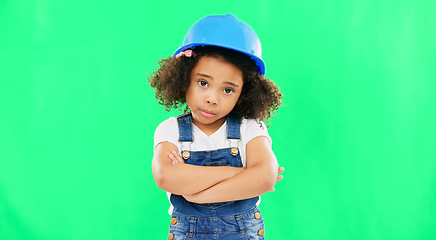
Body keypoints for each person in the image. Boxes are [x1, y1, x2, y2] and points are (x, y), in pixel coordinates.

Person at [149, 14, 284, 240]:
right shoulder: (170, 130)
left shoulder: (250, 128)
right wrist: (240, 173)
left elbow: (265, 176)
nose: (213, 98)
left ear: (244, 93)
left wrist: (195, 195)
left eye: (228, 90)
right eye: (203, 83)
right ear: (184, 78)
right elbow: (165, 176)